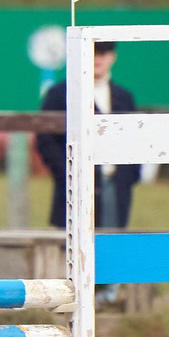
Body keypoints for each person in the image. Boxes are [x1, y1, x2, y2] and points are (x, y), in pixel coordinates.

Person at [35, 40, 140, 230]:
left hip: (115, 186)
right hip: (75, 188)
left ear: (112, 57)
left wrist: (129, 175)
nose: (97, 58)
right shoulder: (61, 93)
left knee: (112, 241)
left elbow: (135, 139)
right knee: (73, 241)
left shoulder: (124, 96)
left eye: (103, 53)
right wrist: (67, 172)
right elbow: (45, 138)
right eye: (93, 52)